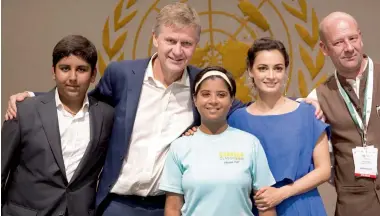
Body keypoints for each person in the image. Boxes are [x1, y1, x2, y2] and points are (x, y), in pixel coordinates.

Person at [2, 3, 323, 216]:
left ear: (195, 45)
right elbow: (83, 103)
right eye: (171, 40)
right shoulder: (121, 75)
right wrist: (37, 97)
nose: (178, 50)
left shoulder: (202, 85)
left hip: (168, 205)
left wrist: (303, 102)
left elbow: (250, 106)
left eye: (186, 43)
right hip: (118, 203)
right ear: (155, 39)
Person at [302, 12, 380, 216]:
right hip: (354, 208)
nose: (349, 48)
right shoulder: (317, 98)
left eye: (353, 38)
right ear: (324, 49)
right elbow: (319, 160)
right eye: (339, 42)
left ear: (361, 37)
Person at [1, 35, 114, 216]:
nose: (72, 77)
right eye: (65, 68)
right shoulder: (24, 111)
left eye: (81, 69)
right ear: (54, 72)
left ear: (93, 75)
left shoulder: (106, 116)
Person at [228, 38, 331, 216]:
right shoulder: (237, 120)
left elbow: (324, 170)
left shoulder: (308, 114)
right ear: (250, 71)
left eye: (278, 68)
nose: (271, 76)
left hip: (303, 206)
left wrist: (282, 193)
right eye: (263, 68)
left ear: (285, 72)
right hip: (257, 208)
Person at [159, 66, 276, 216]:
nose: (213, 101)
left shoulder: (250, 144)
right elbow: (173, 209)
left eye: (221, 95)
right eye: (205, 94)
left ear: (231, 100)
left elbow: (266, 207)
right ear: (195, 99)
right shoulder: (180, 147)